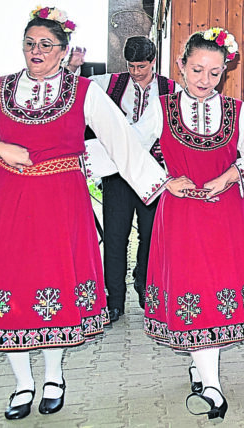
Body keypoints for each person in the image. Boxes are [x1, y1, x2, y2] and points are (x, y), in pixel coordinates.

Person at [0, 6, 169, 419]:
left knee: (53, 283)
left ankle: (52, 375)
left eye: (46, 45)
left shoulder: (84, 92)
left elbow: (122, 142)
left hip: (60, 202)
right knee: (8, 284)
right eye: (29, 44)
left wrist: (164, 187)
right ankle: (21, 384)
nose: (36, 51)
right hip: (6, 200)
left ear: (63, 52)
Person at [134, 27, 244, 420]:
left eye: (214, 73)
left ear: (225, 72)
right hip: (180, 217)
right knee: (192, 292)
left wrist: (234, 175)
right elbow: (127, 148)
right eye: (197, 70)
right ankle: (206, 374)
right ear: (181, 66)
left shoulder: (238, 112)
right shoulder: (160, 107)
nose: (205, 80)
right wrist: (164, 178)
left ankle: (209, 380)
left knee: (216, 292)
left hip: (225, 217)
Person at [78, 36, 180, 322]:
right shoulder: (107, 83)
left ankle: (145, 287)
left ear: (153, 62)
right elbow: (77, 91)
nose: (136, 72)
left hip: (153, 173)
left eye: (142, 66)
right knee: (114, 236)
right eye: (132, 66)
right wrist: (73, 67)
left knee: (150, 236)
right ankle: (114, 300)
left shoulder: (172, 89)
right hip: (117, 173)